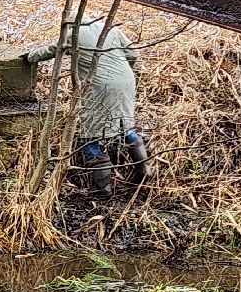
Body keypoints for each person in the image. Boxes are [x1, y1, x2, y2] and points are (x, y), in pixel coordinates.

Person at [24, 18, 149, 197]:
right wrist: (121, 72)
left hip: (99, 86)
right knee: (126, 124)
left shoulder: (74, 34)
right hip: (126, 80)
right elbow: (133, 54)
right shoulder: (109, 29)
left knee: (92, 135)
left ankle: (102, 188)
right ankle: (144, 169)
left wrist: (29, 56)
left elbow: (53, 50)